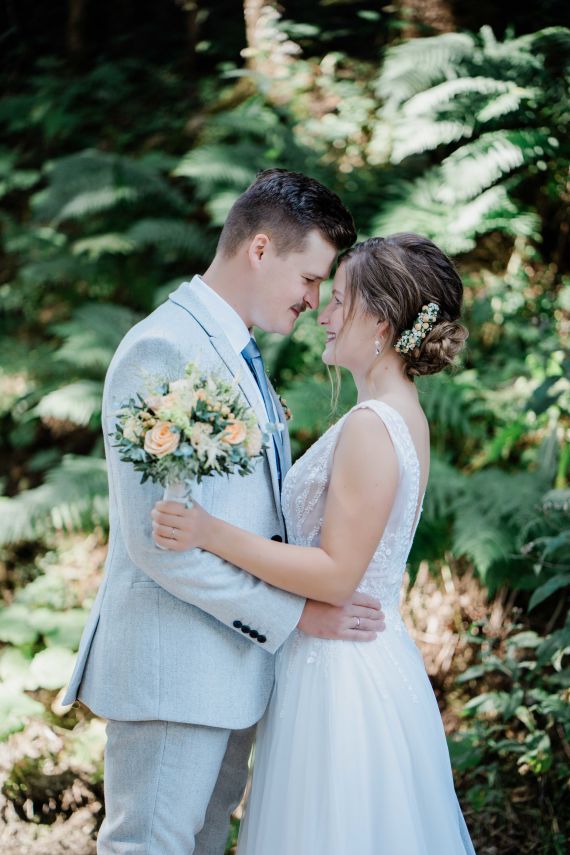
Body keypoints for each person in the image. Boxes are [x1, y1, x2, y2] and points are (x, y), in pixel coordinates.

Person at [62, 169, 386, 854]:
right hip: (170, 672)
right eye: (310, 277)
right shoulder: (165, 350)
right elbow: (160, 545)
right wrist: (296, 613)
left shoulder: (239, 351)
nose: (315, 299)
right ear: (261, 249)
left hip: (232, 672)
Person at [152, 233, 477, 854]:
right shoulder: (399, 413)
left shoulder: (371, 426)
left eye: (341, 301)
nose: (323, 314)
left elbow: (335, 575)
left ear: (380, 320)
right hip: (352, 656)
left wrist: (209, 532)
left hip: (341, 674)